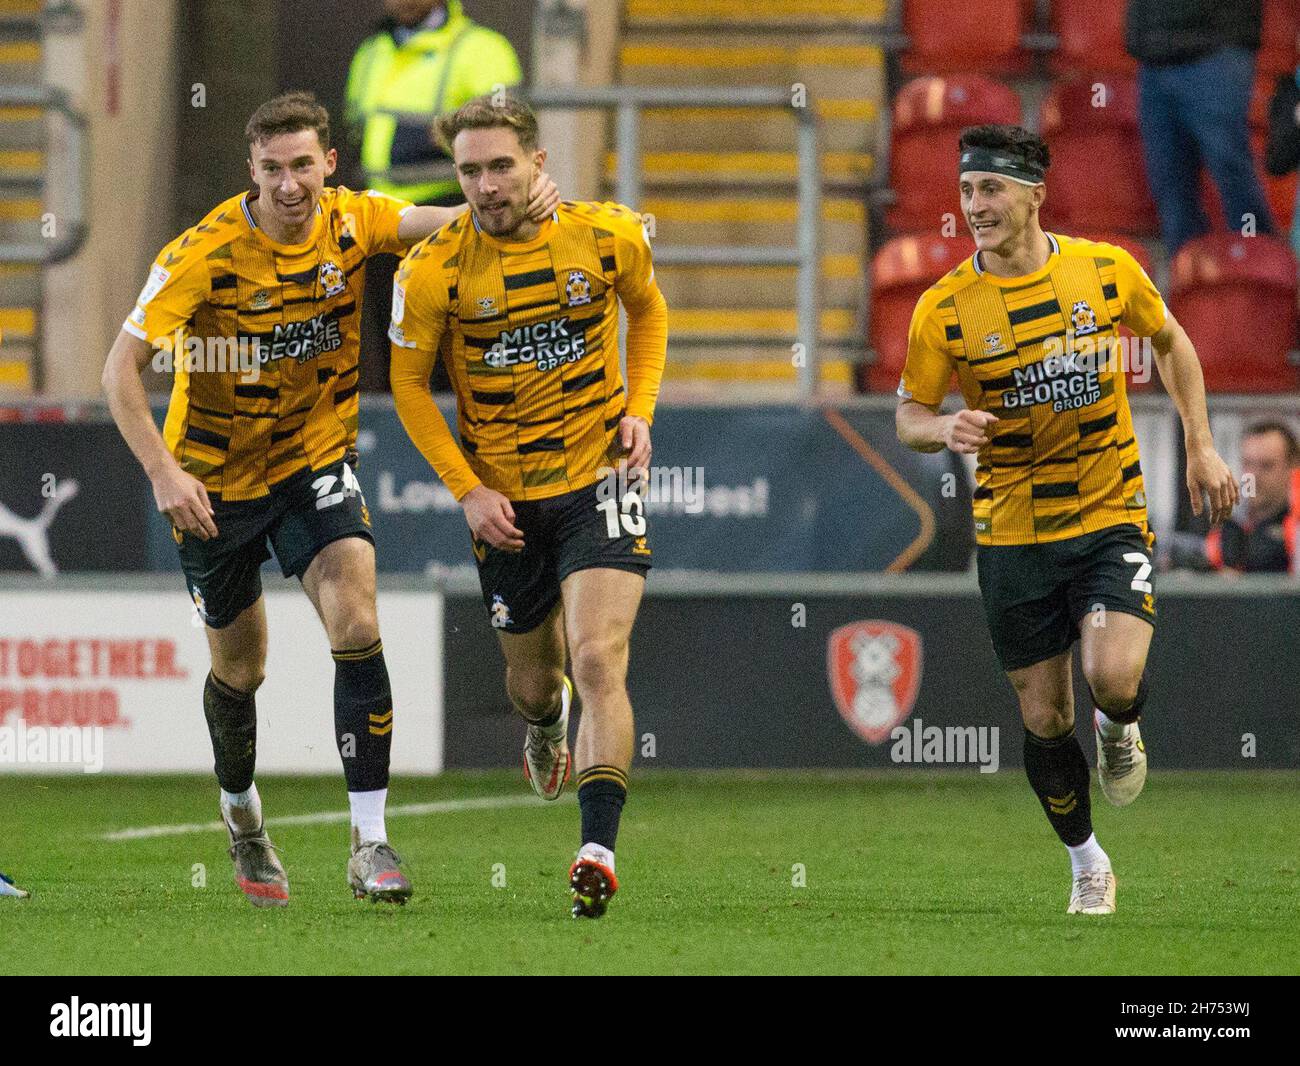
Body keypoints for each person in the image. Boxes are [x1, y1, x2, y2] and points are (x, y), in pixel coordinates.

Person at [101, 91, 557, 908]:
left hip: (314, 463)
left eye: (303, 165)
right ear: (253, 170)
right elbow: (117, 373)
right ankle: (241, 814)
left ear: (328, 165)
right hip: (217, 481)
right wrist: (167, 476)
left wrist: (520, 198)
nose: (288, 185)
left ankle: (370, 842)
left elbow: (450, 220)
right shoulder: (200, 254)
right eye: (272, 168)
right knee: (241, 670)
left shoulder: (355, 221)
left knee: (357, 620)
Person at [896, 125, 1239, 915]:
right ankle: (1088, 860)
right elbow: (909, 412)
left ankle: (1121, 723)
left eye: (991, 189)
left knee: (1112, 678)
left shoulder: (1104, 270)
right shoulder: (943, 309)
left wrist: (1201, 447)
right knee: (1046, 717)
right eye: (966, 190)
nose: (975, 205)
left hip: (1109, 508)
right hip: (1013, 531)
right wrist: (944, 428)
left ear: (1033, 193)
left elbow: (1172, 341)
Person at [389, 95, 667, 918]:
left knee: (595, 660)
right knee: (538, 684)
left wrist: (640, 407)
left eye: (500, 165)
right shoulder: (432, 269)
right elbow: (407, 384)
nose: (484, 184)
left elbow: (647, 310)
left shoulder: (605, 234)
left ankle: (597, 848)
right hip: (505, 500)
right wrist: (467, 491)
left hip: (599, 481)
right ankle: (546, 731)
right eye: (469, 170)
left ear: (537, 163)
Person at [345, 0, 522, 390]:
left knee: (456, 348)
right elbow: (357, 125)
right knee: (395, 345)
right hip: (382, 218)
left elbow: (508, 136)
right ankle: (406, 443)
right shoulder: (371, 51)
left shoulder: (483, 49)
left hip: (451, 211)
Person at [1128, 0, 1276, 254]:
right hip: (1154, 53)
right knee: (1169, 183)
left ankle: (1260, 275)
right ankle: (1192, 282)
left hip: (1216, 49)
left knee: (1231, 172)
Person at [1206, 420, 1299, 573]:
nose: (1254, 475)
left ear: (1292, 466)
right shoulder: (1226, 527)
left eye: (1266, 465)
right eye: (1248, 464)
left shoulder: (1294, 531)